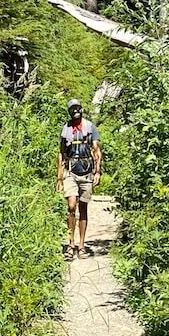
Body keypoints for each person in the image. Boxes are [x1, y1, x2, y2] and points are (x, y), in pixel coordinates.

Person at [56, 97, 102, 260]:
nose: (75, 111)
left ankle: (81, 246)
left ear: (82, 109)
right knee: (71, 206)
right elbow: (61, 154)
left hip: (86, 171)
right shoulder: (66, 129)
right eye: (72, 109)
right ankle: (70, 244)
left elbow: (97, 150)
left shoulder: (90, 127)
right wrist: (59, 178)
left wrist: (97, 172)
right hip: (70, 171)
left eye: (77, 108)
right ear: (69, 111)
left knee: (83, 208)